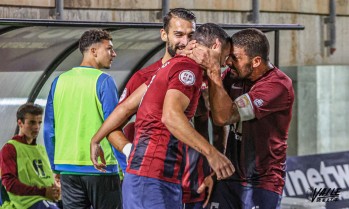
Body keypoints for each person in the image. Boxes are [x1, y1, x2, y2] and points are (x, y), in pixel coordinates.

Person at [91, 23, 235, 209]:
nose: (226, 62)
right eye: (226, 55)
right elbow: (171, 116)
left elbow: (126, 108)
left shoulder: (169, 66)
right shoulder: (188, 69)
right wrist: (211, 153)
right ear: (216, 45)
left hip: (154, 176)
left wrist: (96, 139)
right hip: (153, 176)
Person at [109, 8, 212, 208]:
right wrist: (131, 151)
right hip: (153, 174)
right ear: (164, 34)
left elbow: (205, 123)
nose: (185, 41)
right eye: (178, 34)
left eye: (191, 35)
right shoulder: (143, 77)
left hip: (193, 183)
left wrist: (208, 168)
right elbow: (113, 125)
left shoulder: (200, 73)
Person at [188, 28, 294, 209]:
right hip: (230, 176)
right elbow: (210, 107)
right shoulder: (233, 75)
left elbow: (224, 117)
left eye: (235, 58)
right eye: (228, 56)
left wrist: (213, 70)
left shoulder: (277, 86)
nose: (228, 62)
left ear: (256, 61)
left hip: (261, 182)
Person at [44, 29, 123, 209]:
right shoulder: (104, 81)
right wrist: (124, 166)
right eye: (109, 49)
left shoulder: (58, 81)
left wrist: (55, 166)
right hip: (102, 168)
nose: (114, 54)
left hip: (67, 168)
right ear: (93, 51)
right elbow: (114, 125)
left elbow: (49, 129)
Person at [0, 103, 60, 209]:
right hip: (28, 202)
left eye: (39, 123)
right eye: (32, 122)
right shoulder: (10, 148)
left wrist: (55, 190)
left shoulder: (40, 149)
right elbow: (10, 184)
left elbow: (45, 178)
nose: (37, 127)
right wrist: (43, 192)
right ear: (20, 123)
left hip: (46, 199)